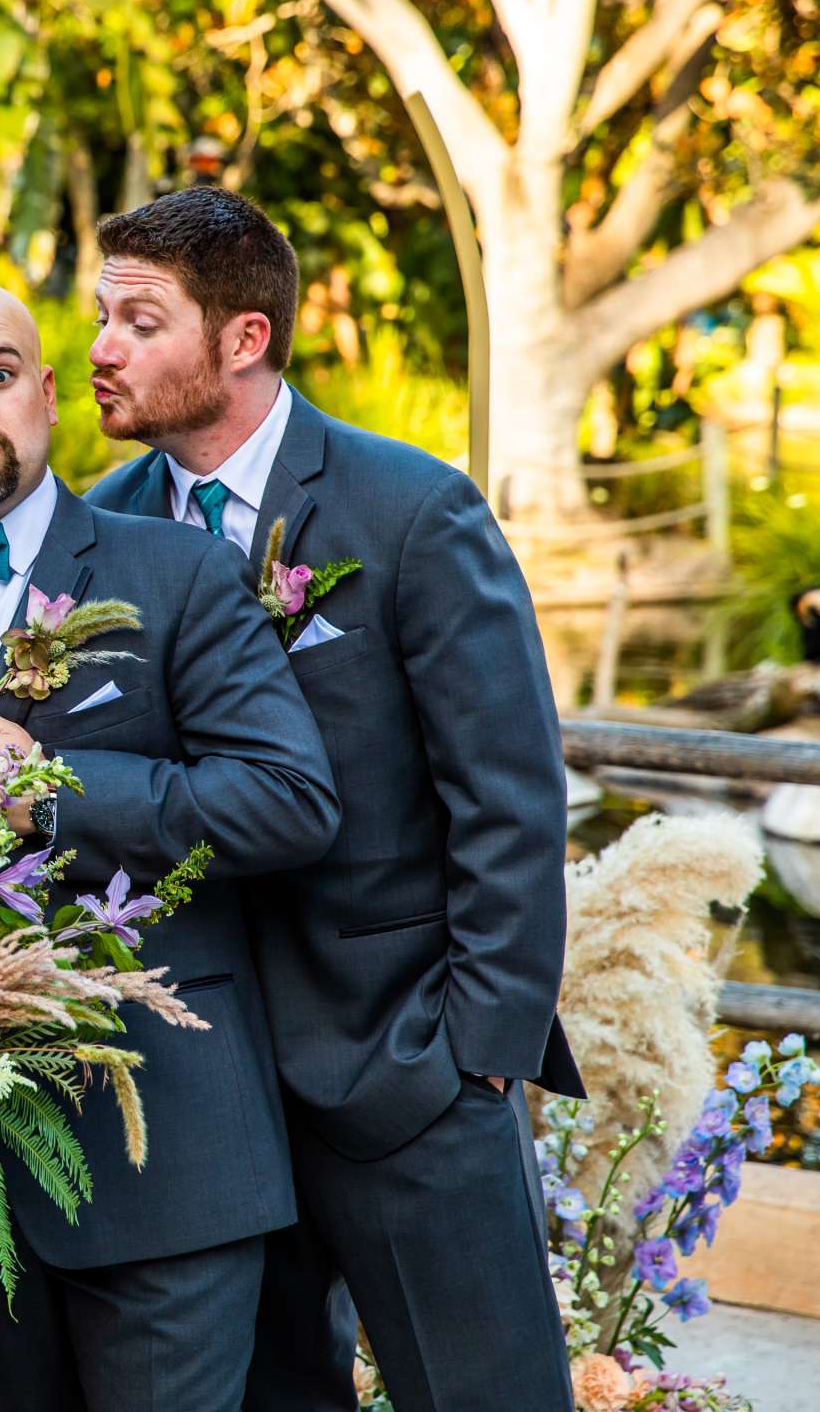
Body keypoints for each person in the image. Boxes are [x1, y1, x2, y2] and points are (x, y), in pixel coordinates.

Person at [83, 187, 585, 1412]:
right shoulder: (101, 533)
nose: (99, 349)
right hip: (207, 1113)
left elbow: (510, 798)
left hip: (406, 1073)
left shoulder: (411, 511)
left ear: (242, 340)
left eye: (138, 321)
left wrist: (475, 1056)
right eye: (101, 316)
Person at [0, 276, 341, 1412]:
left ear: (47, 393)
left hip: (166, 1160)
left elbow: (288, 797)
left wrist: (55, 793)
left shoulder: (173, 572)